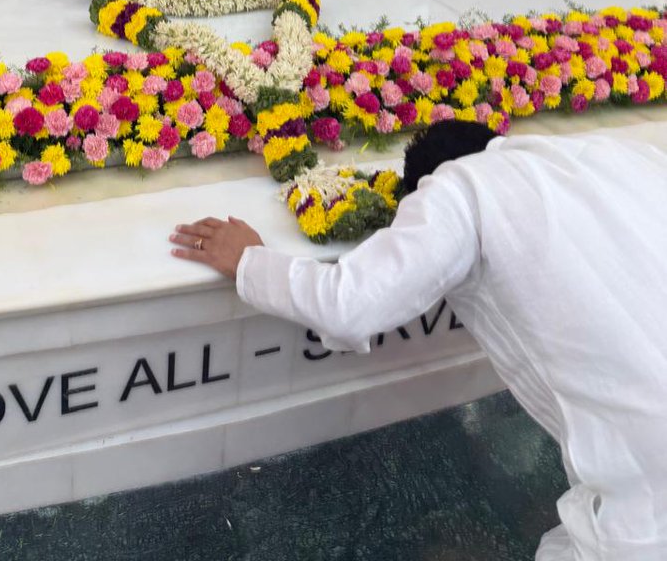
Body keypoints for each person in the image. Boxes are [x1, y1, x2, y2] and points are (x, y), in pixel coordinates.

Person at [171, 123, 667, 560]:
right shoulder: (617, 156)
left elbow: (349, 306)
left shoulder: (461, 186)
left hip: (649, 491)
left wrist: (251, 261)